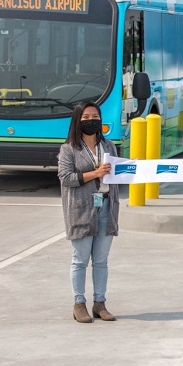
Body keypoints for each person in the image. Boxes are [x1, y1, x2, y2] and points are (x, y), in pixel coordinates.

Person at [57, 101, 124, 323]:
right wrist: (95, 173)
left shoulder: (109, 145)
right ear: (77, 121)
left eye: (94, 116)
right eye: (85, 118)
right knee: (80, 260)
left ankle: (100, 304)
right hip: (82, 209)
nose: (91, 121)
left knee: (101, 260)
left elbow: (119, 171)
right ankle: (79, 304)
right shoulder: (69, 149)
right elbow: (66, 178)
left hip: (106, 206)